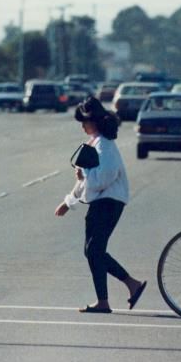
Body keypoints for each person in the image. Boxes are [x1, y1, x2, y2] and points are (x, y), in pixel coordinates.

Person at [54, 96, 146, 313]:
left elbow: (104, 177)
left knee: (94, 250)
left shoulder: (104, 144)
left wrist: (83, 174)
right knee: (92, 251)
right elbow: (87, 180)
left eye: (84, 122)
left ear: (93, 122)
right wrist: (68, 202)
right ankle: (118, 292)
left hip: (110, 201)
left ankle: (127, 288)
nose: (82, 127)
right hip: (103, 201)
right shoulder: (94, 143)